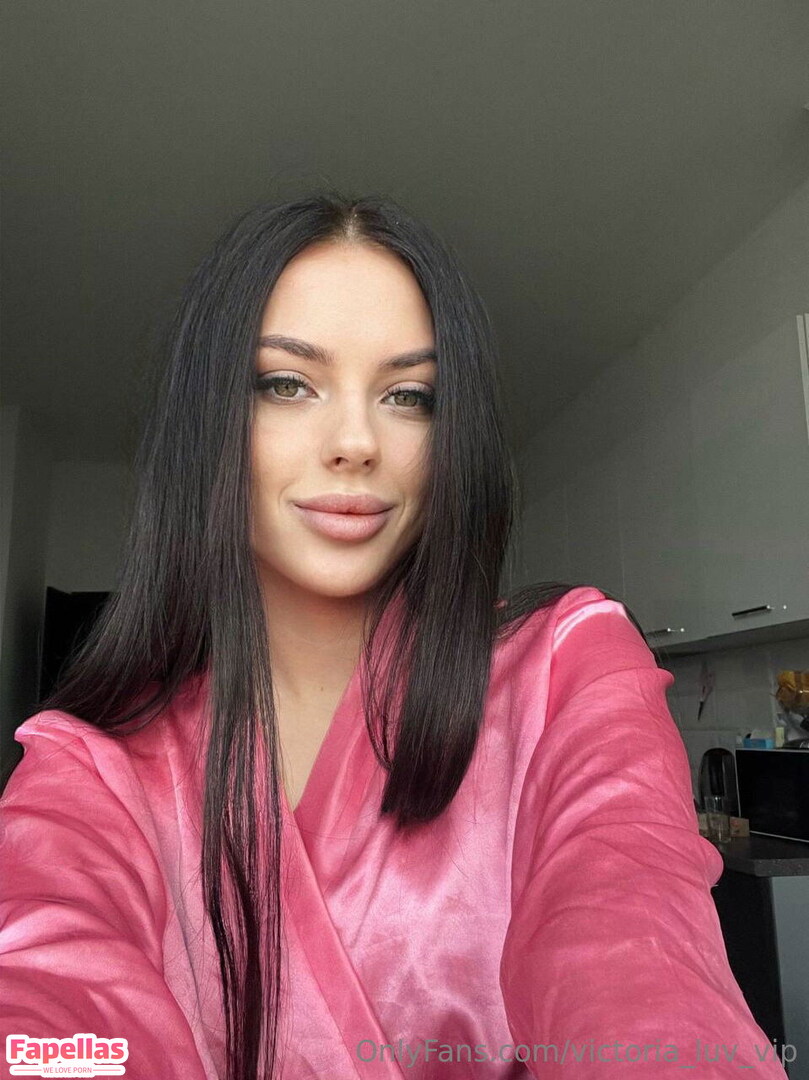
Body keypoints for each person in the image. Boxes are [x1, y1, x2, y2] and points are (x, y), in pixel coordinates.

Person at [0, 193, 788, 1080]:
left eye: (409, 396)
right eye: (287, 383)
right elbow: (46, 988)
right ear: (208, 422)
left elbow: (634, 949)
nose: (356, 442)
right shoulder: (90, 765)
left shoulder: (564, 667)